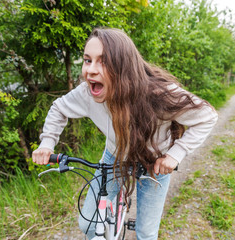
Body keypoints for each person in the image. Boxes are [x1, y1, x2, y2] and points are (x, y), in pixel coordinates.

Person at [32, 27, 218, 240]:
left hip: (154, 164)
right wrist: (47, 143)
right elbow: (59, 108)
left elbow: (207, 116)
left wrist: (175, 154)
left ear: (124, 66)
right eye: (87, 60)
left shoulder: (158, 95)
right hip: (115, 156)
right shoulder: (87, 93)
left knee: (146, 233)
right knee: (88, 224)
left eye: (102, 61)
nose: (90, 70)